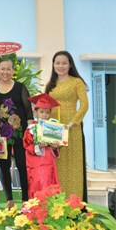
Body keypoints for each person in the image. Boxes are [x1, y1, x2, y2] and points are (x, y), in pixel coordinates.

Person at [0, 57, 34, 208]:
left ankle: (26, 200)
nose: (5, 72)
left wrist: (30, 133)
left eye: (8, 69)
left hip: (20, 134)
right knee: (4, 166)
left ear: (13, 71)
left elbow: (28, 112)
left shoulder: (20, 87)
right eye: (2, 69)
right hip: (1, 135)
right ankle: (9, 200)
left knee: (22, 164)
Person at [44, 51, 89, 200]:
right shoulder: (50, 84)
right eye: (57, 63)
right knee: (56, 164)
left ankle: (74, 202)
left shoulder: (77, 82)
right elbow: (45, 106)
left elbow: (84, 105)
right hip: (53, 128)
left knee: (73, 164)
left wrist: (72, 123)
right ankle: (56, 201)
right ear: (53, 65)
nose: (60, 66)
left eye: (64, 63)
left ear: (70, 65)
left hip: (71, 128)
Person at [24, 93, 61, 198]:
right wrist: (39, 146)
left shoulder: (53, 129)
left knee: (48, 183)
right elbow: (27, 145)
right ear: (35, 112)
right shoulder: (31, 128)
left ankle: (48, 205)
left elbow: (54, 149)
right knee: (36, 183)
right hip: (35, 163)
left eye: (47, 112)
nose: (44, 115)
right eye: (41, 112)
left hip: (48, 161)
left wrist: (55, 147)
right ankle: (35, 205)